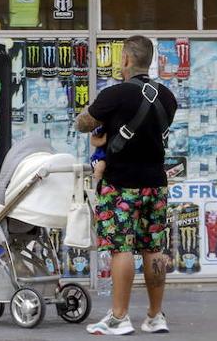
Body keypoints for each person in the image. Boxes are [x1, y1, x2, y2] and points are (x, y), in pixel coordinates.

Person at [75, 35, 177, 336]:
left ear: (126, 60)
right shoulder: (168, 96)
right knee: (153, 249)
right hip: (156, 184)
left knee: (122, 249)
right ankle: (155, 316)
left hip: (121, 185)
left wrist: (102, 134)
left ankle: (119, 317)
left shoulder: (115, 93)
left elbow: (83, 123)